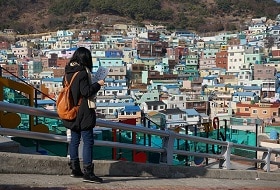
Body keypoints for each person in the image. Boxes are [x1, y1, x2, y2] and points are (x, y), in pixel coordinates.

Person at [62, 47, 104, 183]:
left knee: (74, 140)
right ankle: (88, 172)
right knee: (88, 141)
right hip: (83, 111)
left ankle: (75, 169)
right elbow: (86, 92)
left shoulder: (68, 71)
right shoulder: (82, 73)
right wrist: (98, 84)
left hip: (71, 110)